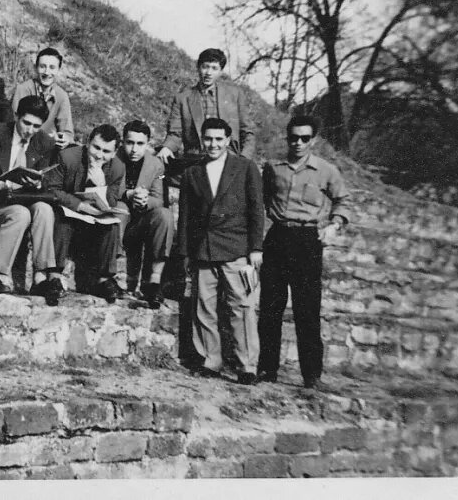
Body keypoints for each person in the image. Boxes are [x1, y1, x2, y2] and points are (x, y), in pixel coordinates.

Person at [257, 115, 350, 390]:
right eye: (293, 137)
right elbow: (262, 200)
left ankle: (312, 375)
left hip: (307, 241)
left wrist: (334, 225)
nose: (298, 143)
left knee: (306, 309)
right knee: (270, 307)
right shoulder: (273, 168)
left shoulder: (326, 170)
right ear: (287, 138)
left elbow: (343, 200)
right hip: (278, 237)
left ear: (314, 140)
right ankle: (267, 369)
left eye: (304, 138)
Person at [176, 117, 264, 385]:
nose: (213, 144)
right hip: (203, 249)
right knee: (204, 307)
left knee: (242, 307)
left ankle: (247, 365)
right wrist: (185, 253)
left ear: (228, 141)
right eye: (208, 139)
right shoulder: (192, 172)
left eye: (218, 139)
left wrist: (256, 248)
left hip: (236, 248)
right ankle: (210, 360)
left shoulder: (246, 168)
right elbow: (186, 217)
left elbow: (256, 209)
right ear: (202, 140)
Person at [0, 95, 61, 304]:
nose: (29, 130)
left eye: (36, 126)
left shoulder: (44, 142)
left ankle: (42, 276)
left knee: (44, 209)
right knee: (20, 214)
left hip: (22, 198)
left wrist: (38, 183)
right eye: (26, 123)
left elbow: (47, 176)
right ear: (16, 116)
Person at [46, 124, 125, 303]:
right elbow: (53, 189)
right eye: (96, 147)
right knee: (61, 219)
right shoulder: (68, 157)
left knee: (112, 224)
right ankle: (55, 276)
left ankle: (104, 279)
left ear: (114, 153)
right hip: (69, 215)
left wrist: (100, 185)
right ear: (87, 143)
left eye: (106, 151)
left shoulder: (117, 167)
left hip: (94, 222)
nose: (99, 155)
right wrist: (79, 206)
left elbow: (112, 201)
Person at [157, 48, 255, 164]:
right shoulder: (182, 98)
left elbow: (247, 132)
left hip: (229, 160)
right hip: (196, 160)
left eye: (214, 68)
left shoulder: (235, 95)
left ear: (221, 71)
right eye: (205, 67)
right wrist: (167, 147)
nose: (208, 73)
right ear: (198, 68)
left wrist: (244, 159)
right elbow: (175, 133)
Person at [115, 120, 170, 308]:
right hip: (117, 217)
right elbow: (104, 188)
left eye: (140, 144)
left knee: (164, 215)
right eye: (130, 143)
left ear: (147, 144)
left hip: (141, 221)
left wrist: (145, 200)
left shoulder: (155, 165)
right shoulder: (113, 157)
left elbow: (159, 199)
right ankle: (111, 275)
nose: (134, 149)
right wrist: (128, 194)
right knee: (120, 211)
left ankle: (154, 280)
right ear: (122, 141)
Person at [10, 47, 74, 149]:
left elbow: (67, 131)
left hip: (45, 147)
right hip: (21, 142)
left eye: (52, 67)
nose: (47, 72)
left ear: (58, 70)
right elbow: (12, 122)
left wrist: (64, 138)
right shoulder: (22, 89)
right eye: (42, 66)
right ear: (36, 67)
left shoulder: (62, 96)